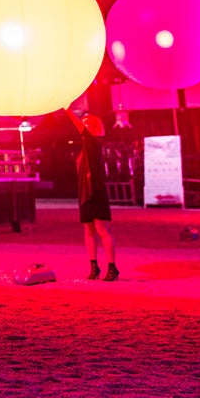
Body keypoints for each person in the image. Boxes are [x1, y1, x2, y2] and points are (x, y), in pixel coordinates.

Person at [67, 108, 118, 281]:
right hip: (84, 193)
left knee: (102, 230)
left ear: (96, 127)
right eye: (84, 122)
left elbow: (79, 127)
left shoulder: (94, 142)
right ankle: (94, 266)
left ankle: (112, 267)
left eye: (88, 123)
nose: (84, 125)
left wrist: (67, 109)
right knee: (88, 230)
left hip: (95, 191)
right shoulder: (84, 149)